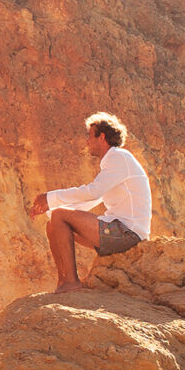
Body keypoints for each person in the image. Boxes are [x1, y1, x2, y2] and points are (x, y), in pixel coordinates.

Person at [29, 112, 151, 292]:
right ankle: (63, 282)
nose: (87, 142)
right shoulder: (114, 162)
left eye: (89, 136)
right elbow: (92, 200)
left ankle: (72, 281)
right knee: (53, 223)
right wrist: (51, 209)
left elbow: (93, 192)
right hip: (119, 232)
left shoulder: (119, 157)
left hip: (127, 234)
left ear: (101, 137)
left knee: (58, 216)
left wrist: (50, 198)